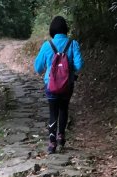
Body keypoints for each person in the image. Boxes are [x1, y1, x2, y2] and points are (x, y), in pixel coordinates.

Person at [33, 15, 83, 153]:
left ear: (52, 30)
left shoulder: (47, 45)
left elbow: (38, 68)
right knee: (64, 109)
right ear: (65, 29)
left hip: (51, 85)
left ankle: (52, 142)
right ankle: (61, 136)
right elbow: (79, 65)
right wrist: (68, 69)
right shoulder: (73, 44)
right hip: (67, 84)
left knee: (53, 111)